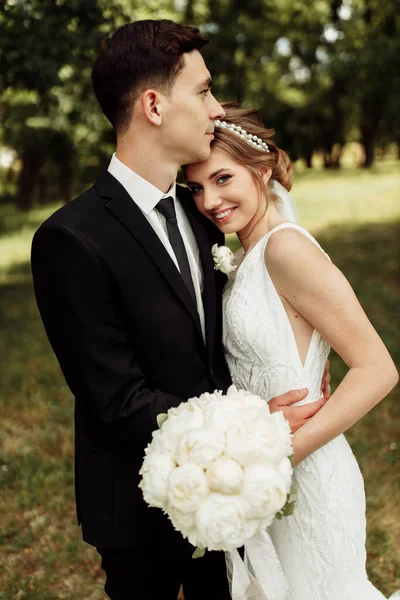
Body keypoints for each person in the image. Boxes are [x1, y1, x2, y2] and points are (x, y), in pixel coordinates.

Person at [30, 21, 331, 600]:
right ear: (153, 105)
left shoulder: (202, 212)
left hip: (232, 501)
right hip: (139, 504)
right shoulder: (71, 239)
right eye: (202, 91)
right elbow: (118, 400)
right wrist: (253, 430)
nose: (216, 109)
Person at [184, 103, 399, 600]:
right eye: (196, 188)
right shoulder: (242, 260)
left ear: (261, 172)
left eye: (222, 179)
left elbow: (377, 369)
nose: (209, 201)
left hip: (308, 477)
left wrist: (280, 457)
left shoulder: (286, 249)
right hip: (265, 477)